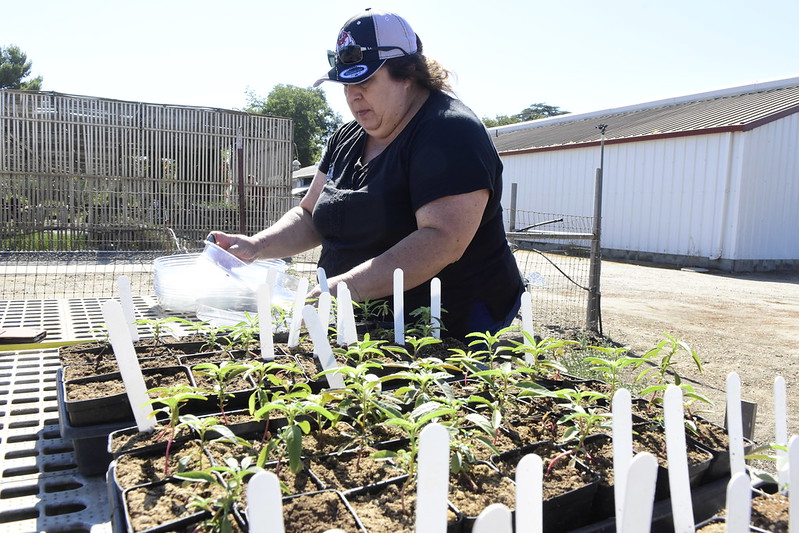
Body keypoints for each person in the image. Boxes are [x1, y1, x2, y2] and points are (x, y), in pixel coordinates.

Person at [210, 8, 524, 341]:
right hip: (363, 322)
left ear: (407, 74)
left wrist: (345, 288)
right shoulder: (346, 137)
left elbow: (443, 240)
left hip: (449, 328)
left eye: (364, 80)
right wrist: (255, 246)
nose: (352, 94)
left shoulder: (449, 131)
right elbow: (309, 215)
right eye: (345, 83)